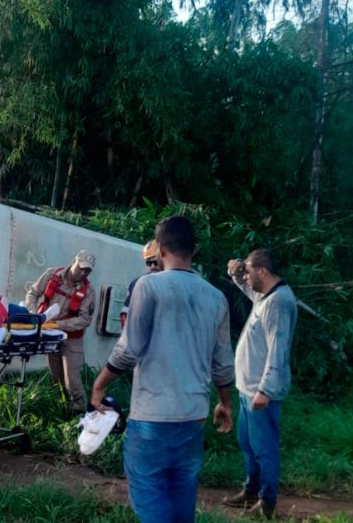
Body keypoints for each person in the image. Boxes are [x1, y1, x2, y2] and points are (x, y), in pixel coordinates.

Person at [90, 216, 235, 523]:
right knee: (183, 495)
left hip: (153, 417)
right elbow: (222, 363)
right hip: (193, 416)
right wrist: (224, 403)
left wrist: (99, 385)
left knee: (149, 494)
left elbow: (130, 349)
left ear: (160, 249)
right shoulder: (216, 297)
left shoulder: (149, 286)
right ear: (193, 249)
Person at [222, 249, 298, 519]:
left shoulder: (280, 303)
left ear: (262, 272)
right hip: (248, 389)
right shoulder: (265, 296)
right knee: (248, 443)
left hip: (261, 392)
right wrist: (235, 273)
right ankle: (251, 490)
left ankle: (267, 503)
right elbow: (246, 287)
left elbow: (278, 349)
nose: (247, 275)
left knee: (264, 448)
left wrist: (265, 390)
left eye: (250, 270)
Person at [24, 250, 96, 415]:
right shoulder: (52, 274)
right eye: (81, 268)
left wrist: (58, 325)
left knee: (73, 382)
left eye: (88, 271)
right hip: (50, 335)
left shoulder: (89, 292)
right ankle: (61, 412)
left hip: (71, 339)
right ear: (74, 262)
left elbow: (85, 320)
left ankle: (80, 415)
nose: (83, 273)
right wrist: (35, 315)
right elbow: (33, 293)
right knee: (56, 378)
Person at [120, 240, 162, 328]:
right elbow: (125, 316)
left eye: (156, 262)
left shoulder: (172, 283)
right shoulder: (137, 283)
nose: (152, 267)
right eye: (148, 263)